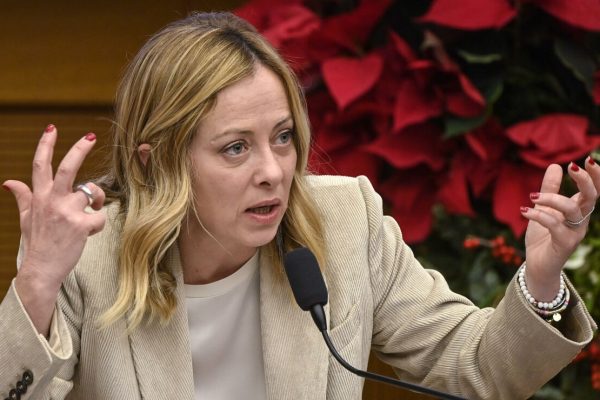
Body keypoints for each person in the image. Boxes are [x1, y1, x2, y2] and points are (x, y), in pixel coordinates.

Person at [0, 11, 596, 400]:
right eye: (236, 148)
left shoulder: (343, 222)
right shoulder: (84, 251)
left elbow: (479, 369)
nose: (274, 171)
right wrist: (37, 285)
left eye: (283, 137)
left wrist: (542, 278)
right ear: (159, 161)